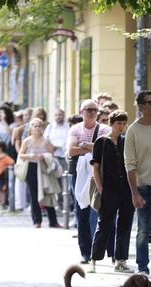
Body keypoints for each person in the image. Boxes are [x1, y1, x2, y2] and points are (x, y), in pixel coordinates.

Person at [124, 90, 151, 274]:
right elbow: (129, 165)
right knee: (143, 229)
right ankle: (142, 267)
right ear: (141, 107)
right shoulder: (133, 130)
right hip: (144, 186)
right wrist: (134, 192)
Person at [90, 110, 135, 273]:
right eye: (118, 123)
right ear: (111, 124)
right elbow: (95, 167)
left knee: (125, 224)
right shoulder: (101, 142)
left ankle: (120, 260)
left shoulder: (127, 141)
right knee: (104, 224)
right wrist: (101, 189)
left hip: (126, 189)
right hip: (109, 189)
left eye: (124, 123)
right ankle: (94, 259)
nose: (121, 127)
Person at [67, 99, 110, 264]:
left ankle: (96, 248)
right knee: (81, 210)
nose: (91, 112)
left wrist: (83, 146)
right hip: (78, 173)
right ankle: (85, 251)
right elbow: (71, 150)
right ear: (81, 112)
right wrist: (93, 147)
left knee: (96, 208)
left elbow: (106, 147)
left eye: (94, 109)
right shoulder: (75, 129)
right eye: (88, 109)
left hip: (99, 172)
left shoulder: (104, 129)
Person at [19, 118, 61, 228]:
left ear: (42, 128)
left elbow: (52, 155)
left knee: (48, 193)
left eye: (39, 126)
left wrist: (45, 156)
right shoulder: (27, 141)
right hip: (31, 168)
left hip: (44, 169)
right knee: (34, 195)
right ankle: (37, 221)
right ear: (30, 128)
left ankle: (53, 221)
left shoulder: (46, 141)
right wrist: (30, 156)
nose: (37, 128)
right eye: (35, 126)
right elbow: (21, 155)